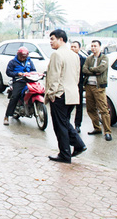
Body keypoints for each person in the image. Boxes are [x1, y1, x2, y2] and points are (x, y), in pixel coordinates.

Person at [45, 29, 86, 163]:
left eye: (52, 39)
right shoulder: (74, 55)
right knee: (65, 123)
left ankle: (65, 153)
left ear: (61, 39)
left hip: (60, 94)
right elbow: (77, 75)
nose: (50, 42)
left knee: (60, 125)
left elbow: (54, 77)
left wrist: (51, 94)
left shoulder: (57, 54)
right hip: (72, 93)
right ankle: (77, 146)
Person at [82, 40, 112, 141]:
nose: (93, 48)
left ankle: (107, 131)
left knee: (103, 109)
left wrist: (91, 70)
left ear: (100, 47)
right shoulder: (89, 58)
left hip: (99, 87)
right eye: (92, 46)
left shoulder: (104, 58)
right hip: (88, 86)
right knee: (90, 108)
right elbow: (84, 69)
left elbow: (101, 69)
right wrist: (93, 71)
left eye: (95, 46)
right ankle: (97, 128)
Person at [3, 46, 36, 125]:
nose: (22, 58)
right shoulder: (12, 62)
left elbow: (34, 70)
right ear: (18, 55)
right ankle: (7, 116)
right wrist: (17, 74)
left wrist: (31, 74)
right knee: (14, 97)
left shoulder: (29, 62)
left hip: (29, 81)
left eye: (24, 57)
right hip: (18, 81)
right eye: (21, 56)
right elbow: (8, 72)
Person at [69, 40, 88, 133]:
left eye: (75, 47)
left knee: (79, 105)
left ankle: (77, 125)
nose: (73, 48)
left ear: (79, 48)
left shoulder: (83, 59)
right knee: (68, 105)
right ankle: (67, 124)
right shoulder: (66, 58)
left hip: (78, 84)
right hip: (68, 84)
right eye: (71, 47)